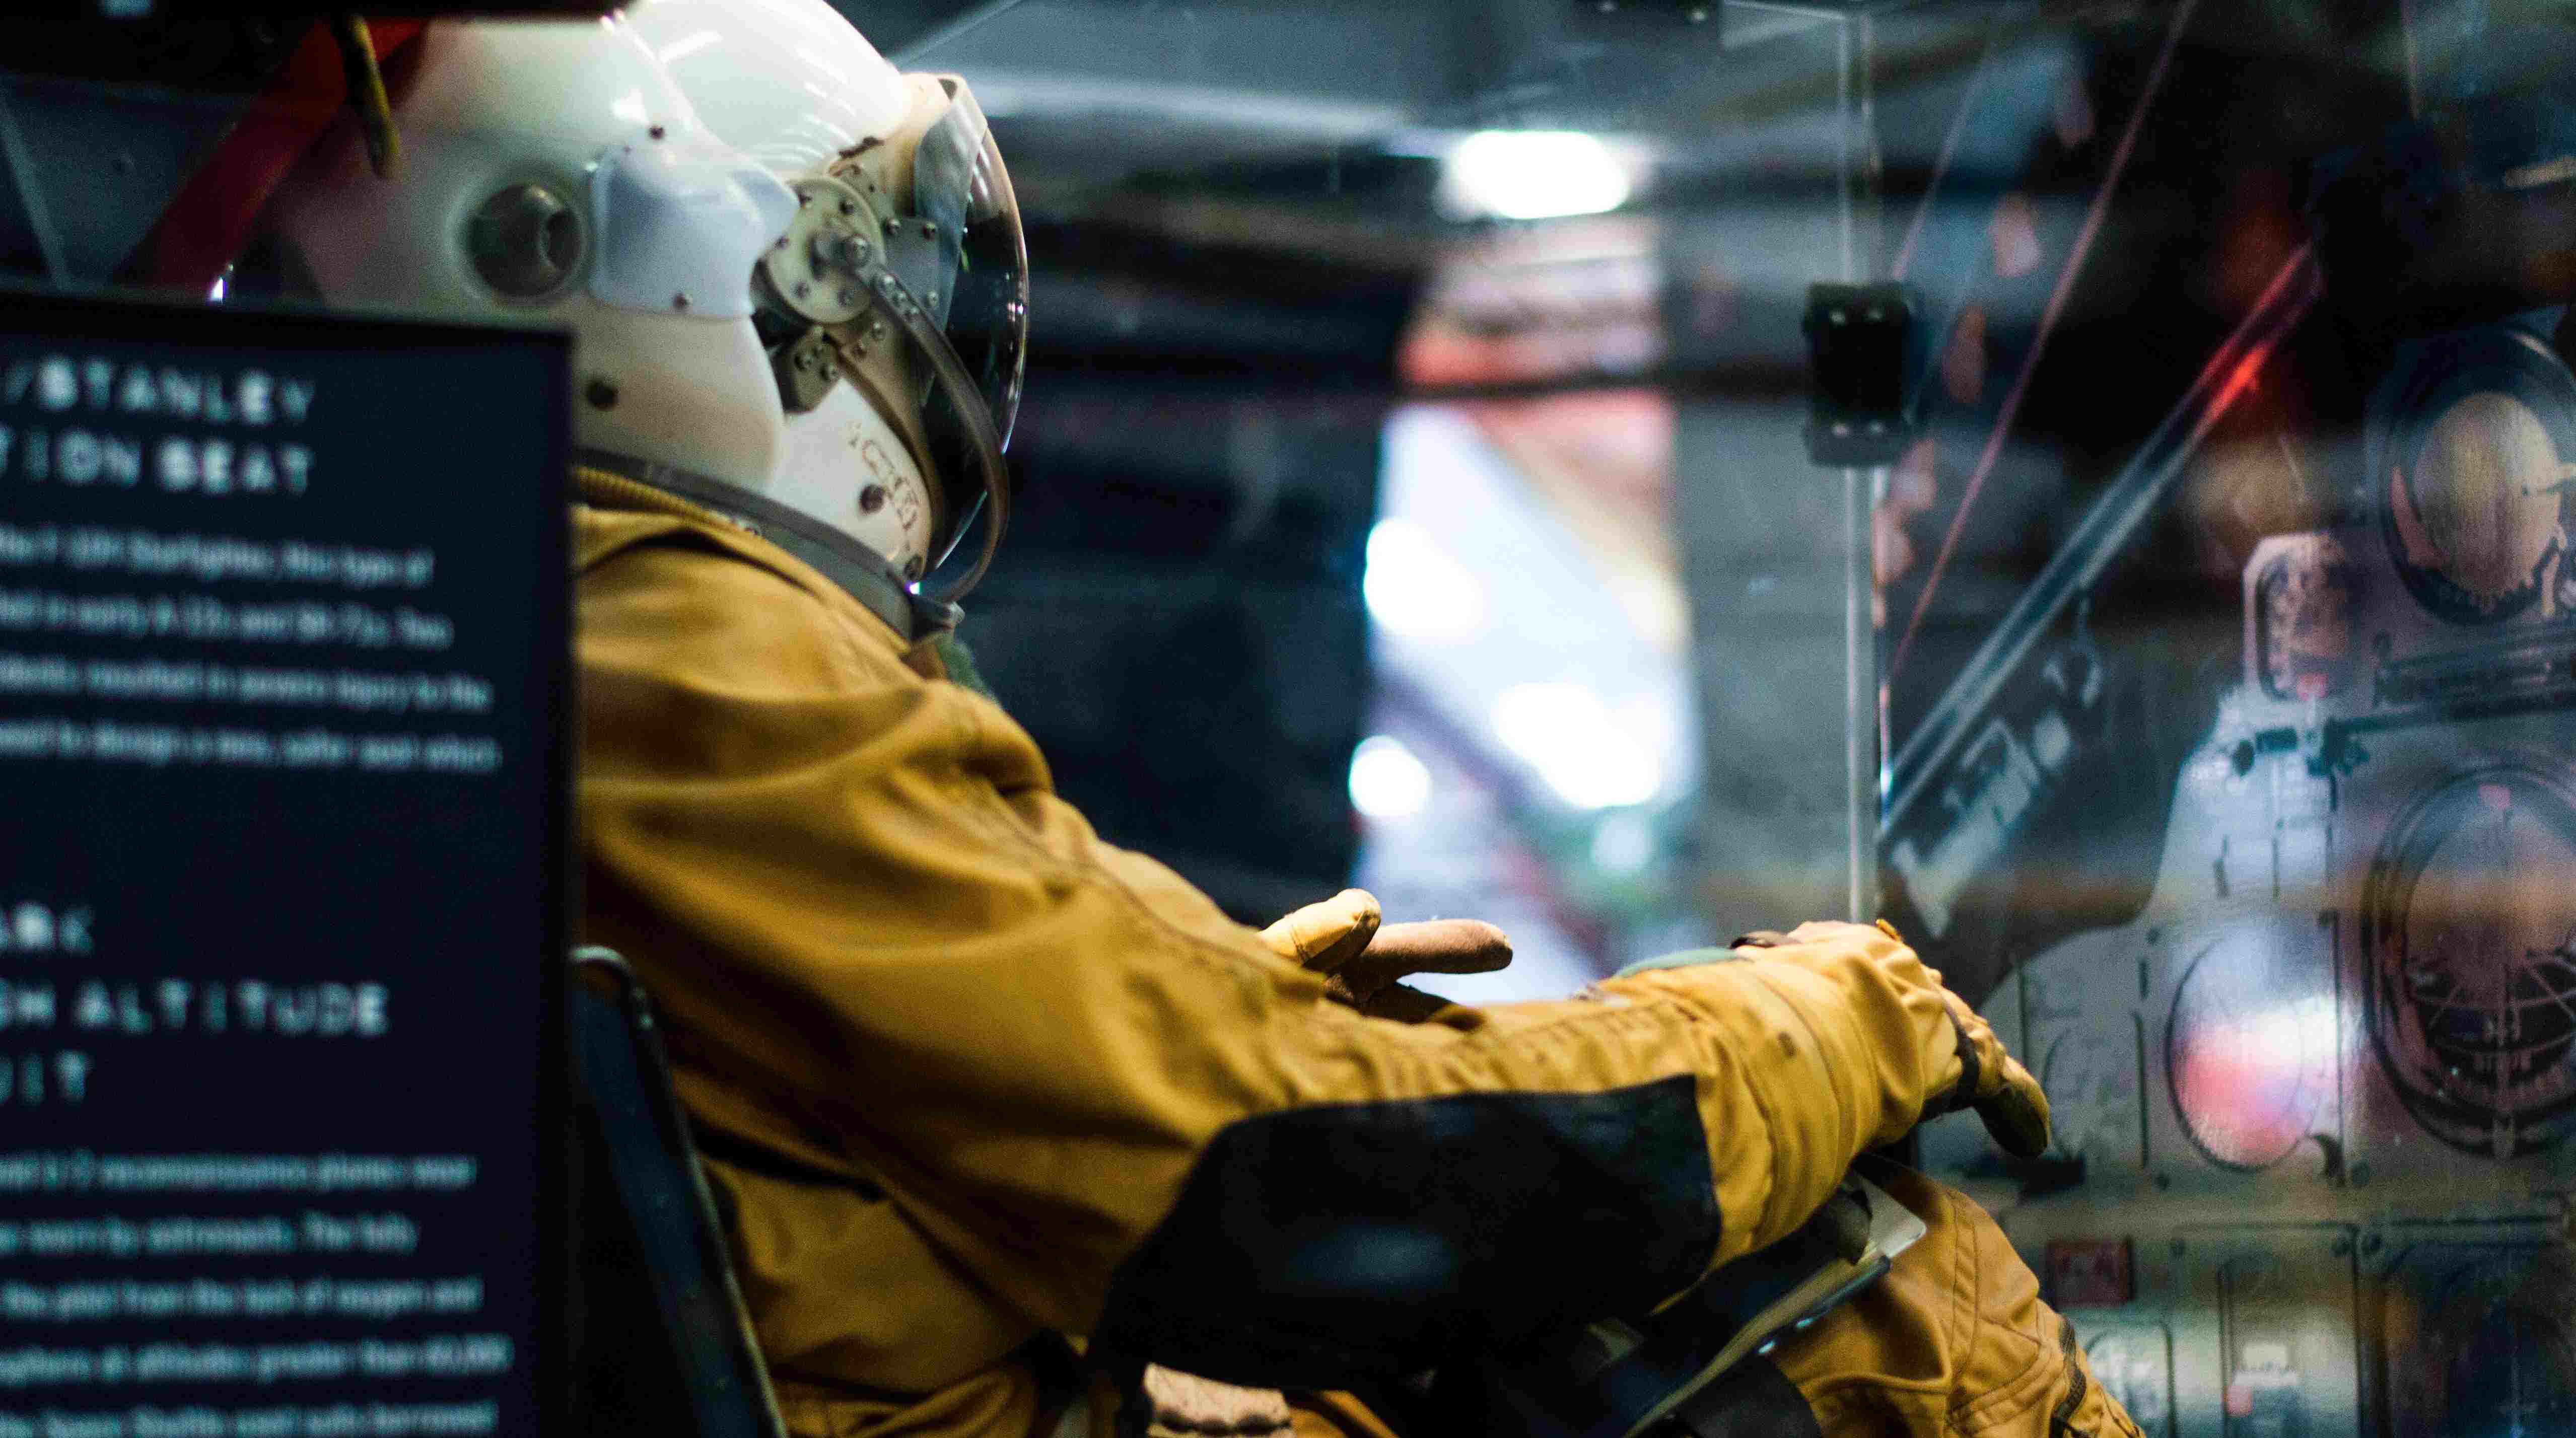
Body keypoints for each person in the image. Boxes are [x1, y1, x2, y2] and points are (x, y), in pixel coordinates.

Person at [240, 5, 2142, 1436]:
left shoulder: (454, 633)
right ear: (620, 256)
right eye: (858, 264)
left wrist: (1185, 987)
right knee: (1873, 1285)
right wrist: (1829, 1015)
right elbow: (1295, 1178)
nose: (904, 328)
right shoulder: (669, 637)